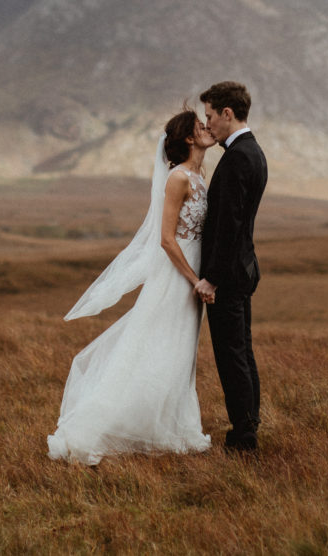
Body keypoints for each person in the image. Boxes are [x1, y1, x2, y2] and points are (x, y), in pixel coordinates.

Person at [47, 108, 217, 465]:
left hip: (193, 273)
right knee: (157, 346)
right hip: (177, 278)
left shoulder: (201, 175)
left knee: (180, 350)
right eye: (201, 126)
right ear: (189, 138)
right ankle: (102, 427)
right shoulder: (178, 178)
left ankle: (169, 427)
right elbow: (166, 240)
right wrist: (194, 280)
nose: (208, 128)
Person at [193, 81, 267, 454]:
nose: (207, 124)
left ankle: (244, 436)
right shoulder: (252, 151)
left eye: (209, 116)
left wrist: (212, 278)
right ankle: (248, 423)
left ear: (227, 113)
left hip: (230, 274)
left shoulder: (239, 157)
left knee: (231, 354)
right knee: (242, 350)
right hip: (243, 268)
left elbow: (229, 226)